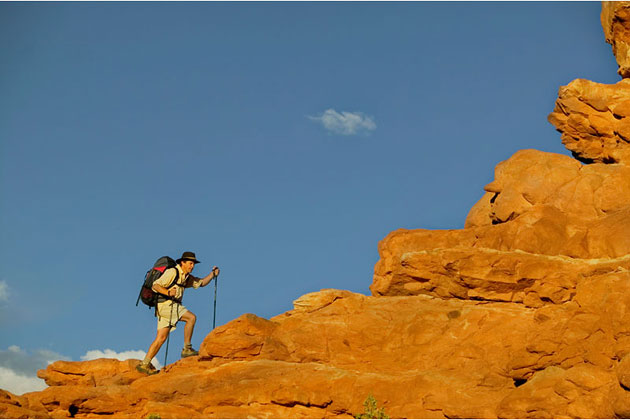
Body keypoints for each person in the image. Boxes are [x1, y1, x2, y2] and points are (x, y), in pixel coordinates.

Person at [137, 251, 219, 375]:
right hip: (166, 305)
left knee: (161, 338)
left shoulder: (186, 277)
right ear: (182, 263)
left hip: (166, 307)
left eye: (193, 264)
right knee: (191, 318)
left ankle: (145, 364)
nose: (192, 266)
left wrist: (212, 274)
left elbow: (201, 283)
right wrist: (168, 293)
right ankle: (187, 348)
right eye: (190, 263)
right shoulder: (173, 272)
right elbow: (156, 285)